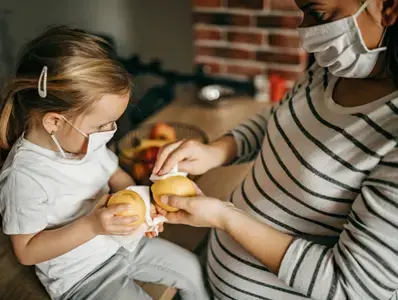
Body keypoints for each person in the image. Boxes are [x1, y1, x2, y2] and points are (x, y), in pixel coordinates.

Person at [153, 0, 398, 299]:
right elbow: (280, 118)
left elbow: (351, 286)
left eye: (318, 13)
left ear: (388, 7)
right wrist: (217, 151)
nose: (305, 31)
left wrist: (225, 218)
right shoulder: (331, 71)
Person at [0, 26, 209, 300]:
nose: (110, 131)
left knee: (191, 268)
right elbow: (27, 251)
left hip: (120, 245)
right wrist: (92, 225)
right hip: (82, 275)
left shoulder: (83, 139)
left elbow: (117, 176)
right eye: (102, 124)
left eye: (113, 122)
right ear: (53, 121)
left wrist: (144, 210)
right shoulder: (24, 177)